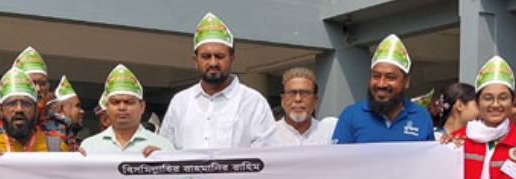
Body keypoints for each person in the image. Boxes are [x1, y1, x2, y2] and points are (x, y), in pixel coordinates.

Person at [159, 12, 276, 149]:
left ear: (232, 58)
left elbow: (266, 153)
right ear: (195, 60)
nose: (213, 63)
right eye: (206, 56)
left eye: (220, 56)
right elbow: (166, 148)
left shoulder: (253, 102)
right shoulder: (180, 102)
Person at [333, 34, 434, 143]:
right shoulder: (351, 116)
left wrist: (446, 145)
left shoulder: (421, 116)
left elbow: (431, 152)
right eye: (376, 76)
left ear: (406, 81)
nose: (381, 84)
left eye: (391, 77)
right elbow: (337, 154)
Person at [0, 47, 68, 151]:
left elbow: (70, 154)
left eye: (42, 83)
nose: (38, 89)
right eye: (32, 83)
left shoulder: (60, 121)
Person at [82, 64, 173, 155]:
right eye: (115, 102)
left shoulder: (162, 146)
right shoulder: (90, 147)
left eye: (129, 102)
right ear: (107, 107)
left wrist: (162, 159)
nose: (122, 107)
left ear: (142, 107)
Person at [272, 67, 335, 146]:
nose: (298, 99)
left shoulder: (329, 135)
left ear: (315, 100)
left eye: (305, 93)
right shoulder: (268, 135)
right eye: (292, 93)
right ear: (282, 100)